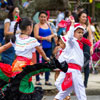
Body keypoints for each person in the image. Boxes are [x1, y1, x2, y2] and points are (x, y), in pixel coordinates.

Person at [54, 16, 91, 100]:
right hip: (73, 70)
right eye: (78, 32)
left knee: (65, 91)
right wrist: (72, 24)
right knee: (81, 92)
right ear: (73, 33)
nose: (81, 34)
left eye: (82, 32)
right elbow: (69, 37)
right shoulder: (72, 41)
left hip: (74, 70)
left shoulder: (78, 43)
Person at [34, 11, 55, 85]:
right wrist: (45, 38)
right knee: (39, 63)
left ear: (46, 18)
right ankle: (37, 80)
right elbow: (36, 36)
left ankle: (47, 80)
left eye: (44, 17)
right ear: (39, 17)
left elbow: (53, 34)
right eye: (41, 17)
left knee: (47, 63)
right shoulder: (37, 25)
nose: (43, 18)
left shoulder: (48, 24)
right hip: (40, 47)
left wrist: (50, 37)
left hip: (48, 47)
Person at [78, 10, 93, 88]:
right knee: (77, 65)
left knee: (86, 65)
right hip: (77, 47)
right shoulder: (76, 26)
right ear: (79, 17)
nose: (84, 18)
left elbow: (90, 38)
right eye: (83, 17)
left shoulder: (88, 27)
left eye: (85, 17)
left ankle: (85, 83)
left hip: (86, 47)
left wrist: (91, 48)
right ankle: (78, 82)